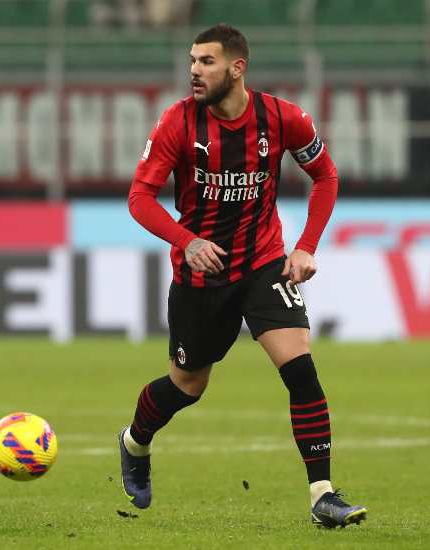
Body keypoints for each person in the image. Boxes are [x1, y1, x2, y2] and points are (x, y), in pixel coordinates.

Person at [118, 23, 367, 529]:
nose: (194, 70)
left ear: (237, 68)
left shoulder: (283, 117)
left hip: (262, 262)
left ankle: (323, 494)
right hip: (202, 278)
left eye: (206, 61)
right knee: (187, 385)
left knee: (300, 369)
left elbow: (326, 175)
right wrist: (187, 242)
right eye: (191, 61)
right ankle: (134, 442)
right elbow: (139, 198)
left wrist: (305, 247)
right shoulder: (177, 123)